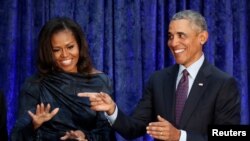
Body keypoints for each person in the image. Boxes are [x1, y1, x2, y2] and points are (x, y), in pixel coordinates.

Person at [78, 10, 241, 141]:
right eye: (170, 36)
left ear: (202, 37)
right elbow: (134, 129)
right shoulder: (159, 80)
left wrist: (180, 137)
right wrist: (112, 110)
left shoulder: (223, 83)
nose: (173, 43)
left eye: (181, 35)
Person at [11, 17, 116, 141]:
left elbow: (107, 134)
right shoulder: (35, 85)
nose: (65, 55)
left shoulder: (100, 82)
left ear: (79, 46)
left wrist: (85, 137)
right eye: (56, 50)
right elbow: (16, 137)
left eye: (70, 47)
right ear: (47, 51)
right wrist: (34, 125)